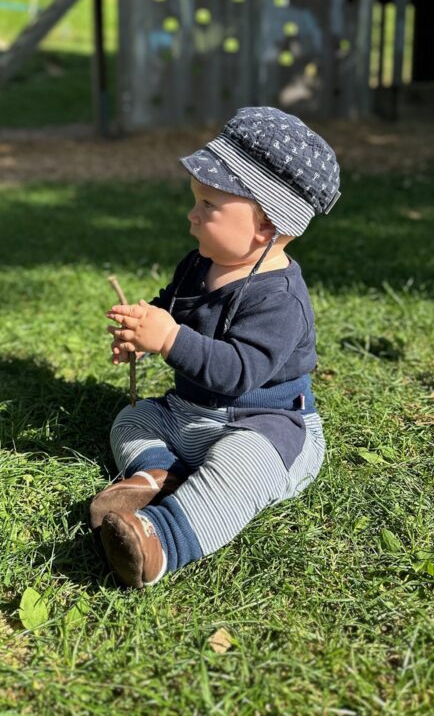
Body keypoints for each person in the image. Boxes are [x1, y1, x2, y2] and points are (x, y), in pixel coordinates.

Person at [91, 106, 340, 588]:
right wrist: (144, 334)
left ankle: (158, 542)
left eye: (208, 204)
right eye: (195, 200)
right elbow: (171, 307)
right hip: (188, 412)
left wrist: (169, 339)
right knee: (133, 419)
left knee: (243, 465)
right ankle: (160, 476)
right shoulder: (198, 263)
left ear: (266, 224)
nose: (192, 214)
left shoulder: (280, 299)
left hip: (263, 423)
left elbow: (237, 372)